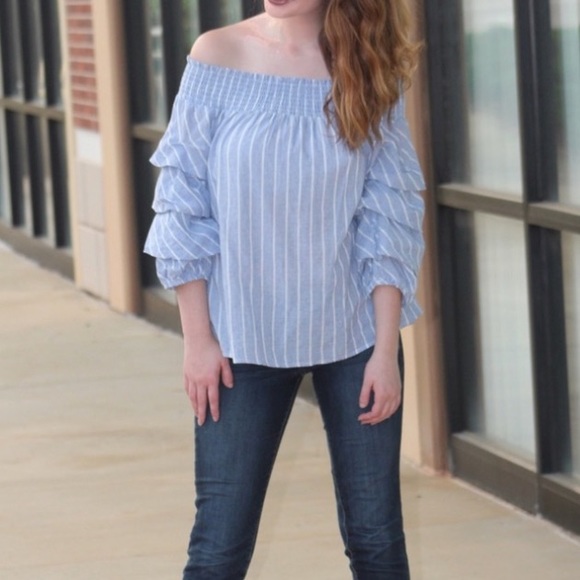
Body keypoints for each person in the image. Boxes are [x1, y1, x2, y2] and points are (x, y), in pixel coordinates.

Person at [144, 0, 425, 577]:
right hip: (239, 343)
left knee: (377, 543)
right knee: (218, 549)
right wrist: (198, 341)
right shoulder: (217, 55)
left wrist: (385, 351)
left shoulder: (367, 67)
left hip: (352, 338)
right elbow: (183, 204)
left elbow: (387, 217)